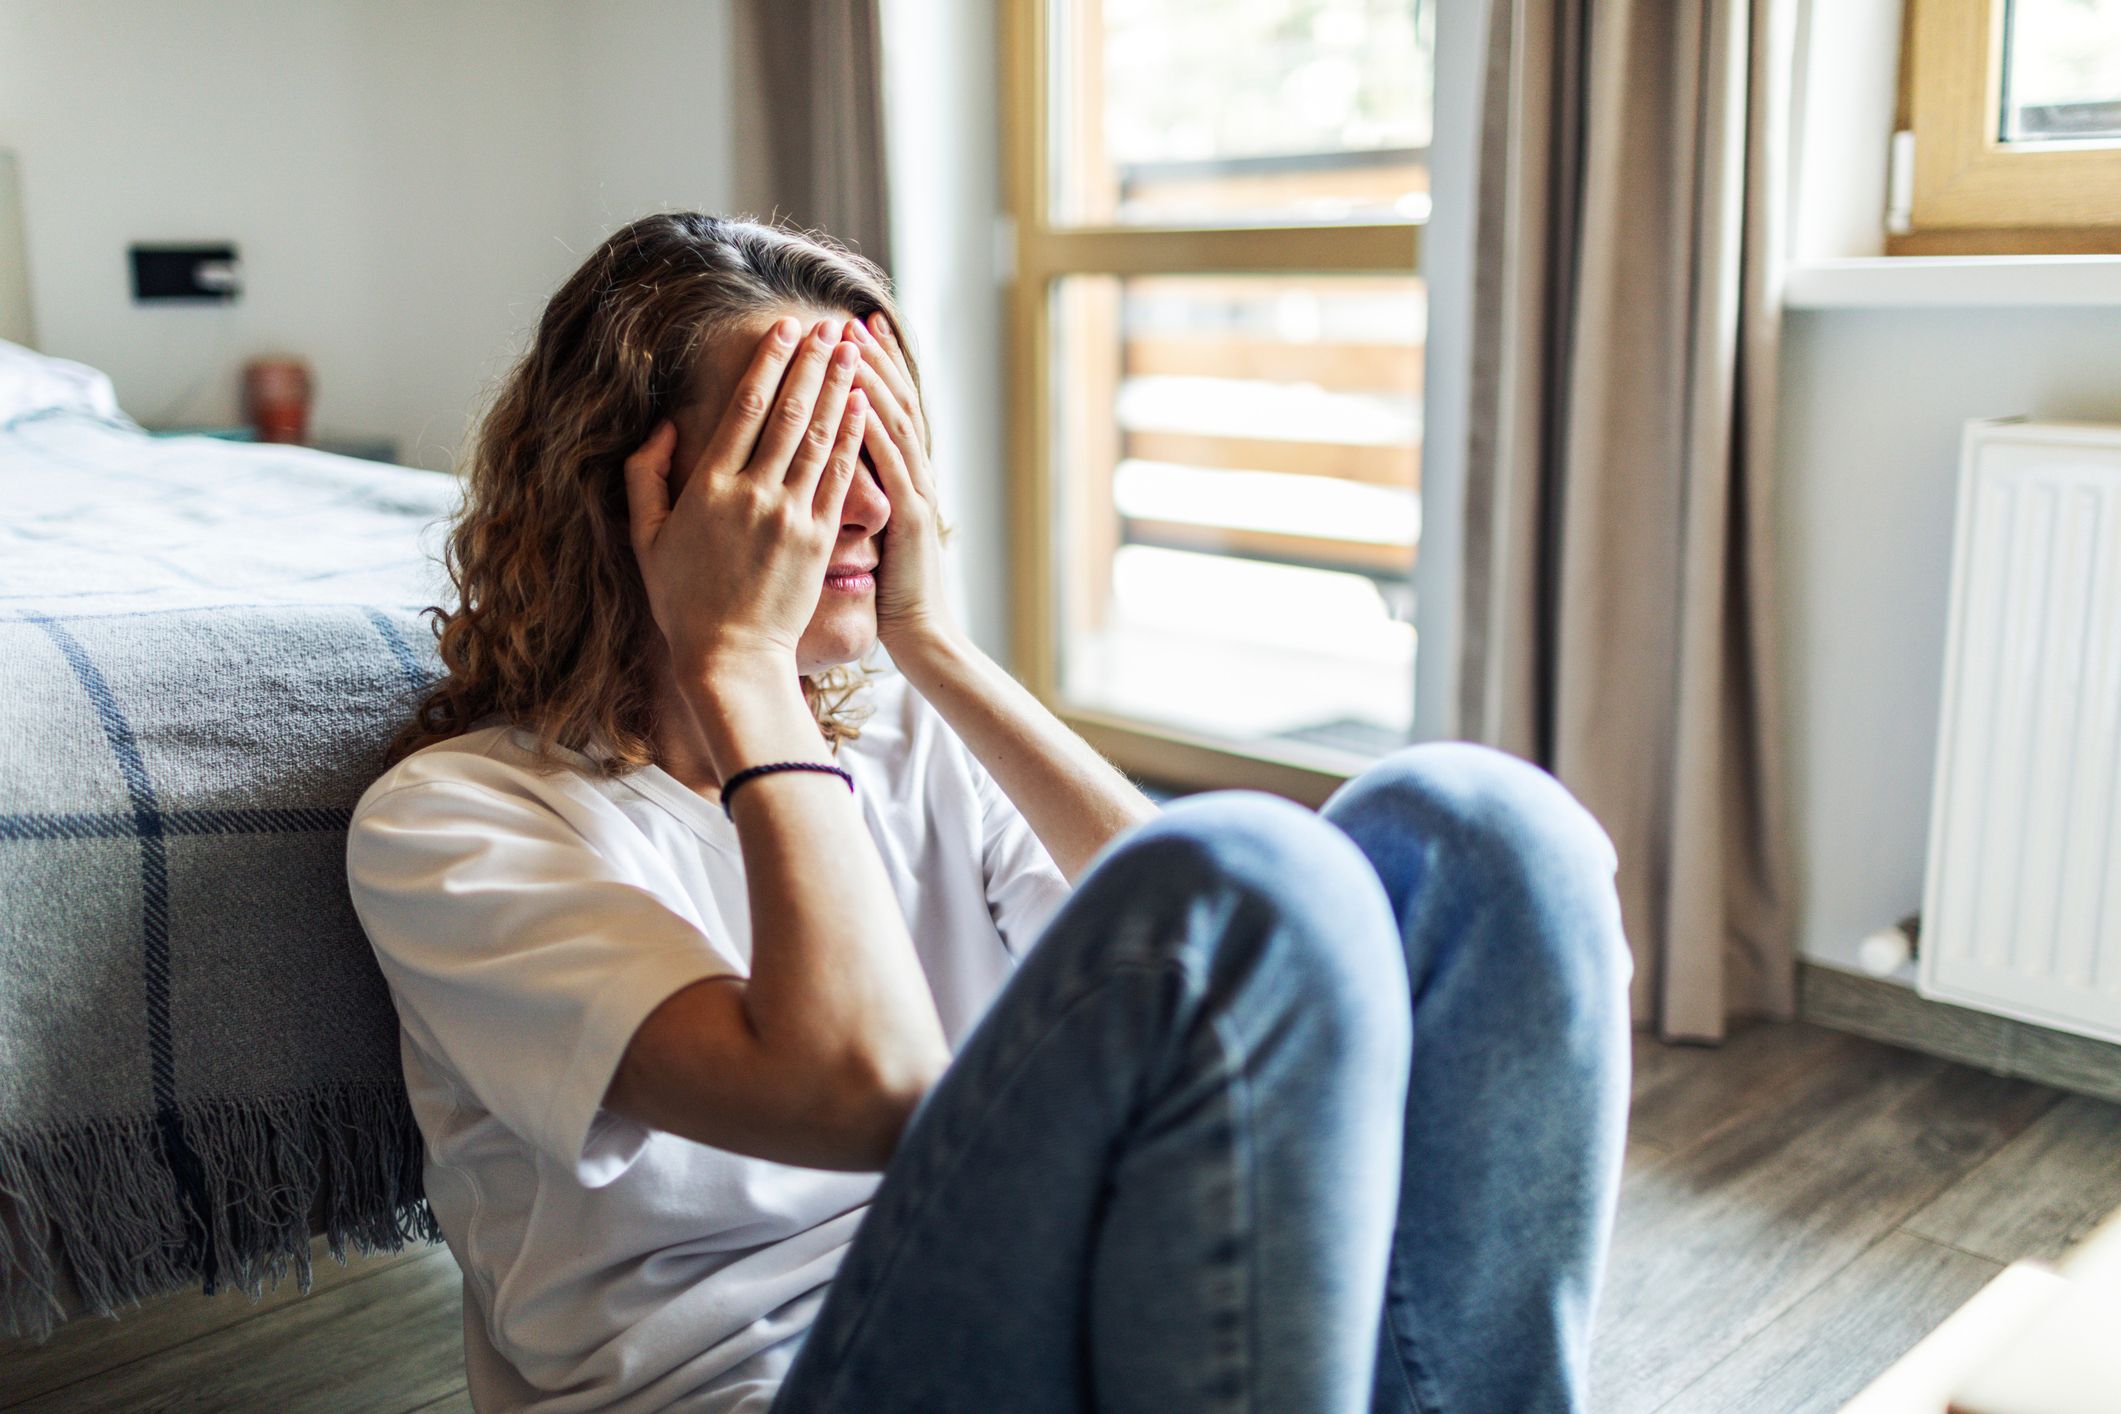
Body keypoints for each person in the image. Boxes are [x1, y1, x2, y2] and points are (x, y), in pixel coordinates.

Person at [346, 212, 1633, 1414]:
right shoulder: (454, 822)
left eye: (877, 446)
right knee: (1245, 870)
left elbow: (1250, 983)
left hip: (1050, 1297)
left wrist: (937, 649)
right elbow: (862, 1092)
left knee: (1484, 829)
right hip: (772, 1381)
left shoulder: (911, 732)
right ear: (632, 493)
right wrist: (733, 661)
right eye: (792, 456)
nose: (860, 504)